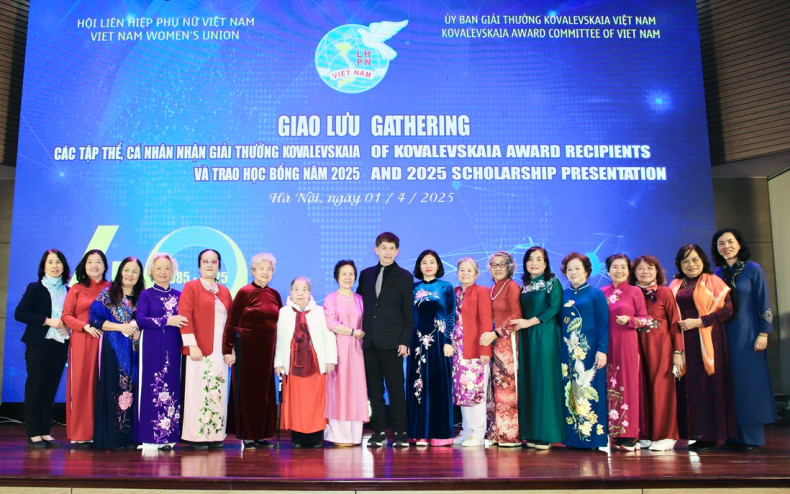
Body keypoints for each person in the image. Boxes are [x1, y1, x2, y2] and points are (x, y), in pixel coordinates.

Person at [712, 228, 777, 451]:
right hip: (722, 336)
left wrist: (764, 332)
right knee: (728, 385)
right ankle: (731, 436)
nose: (726, 246)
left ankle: (751, 438)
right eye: (721, 243)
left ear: (739, 244)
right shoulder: (716, 274)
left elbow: (764, 302)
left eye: (730, 242)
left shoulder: (753, 270)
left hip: (749, 335)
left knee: (750, 385)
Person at [669, 244, 736, 451]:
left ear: (703, 261)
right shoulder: (675, 284)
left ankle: (713, 435)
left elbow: (727, 310)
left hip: (709, 341)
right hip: (683, 342)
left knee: (709, 387)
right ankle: (695, 434)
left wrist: (698, 322)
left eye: (695, 260)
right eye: (686, 261)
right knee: (690, 388)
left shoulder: (713, 281)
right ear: (680, 264)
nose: (691, 265)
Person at [356, 232, 414, 448]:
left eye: (392, 249)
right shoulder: (365, 274)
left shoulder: (405, 277)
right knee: (375, 390)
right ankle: (379, 431)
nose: (387, 252)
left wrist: (404, 341)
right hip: (369, 342)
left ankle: (400, 431)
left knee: (396, 389)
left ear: (397, 251)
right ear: (376, 249)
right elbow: (360, 306)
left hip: (393, 343)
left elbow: (408, 314)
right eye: (384, 248)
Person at [223, 253, 282, 449]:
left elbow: (281, 326)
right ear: (253, 271)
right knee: (247, 393)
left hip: (268, 351)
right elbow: (231, 322)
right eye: (261, 268)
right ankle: (247, 435)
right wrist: (228, 349)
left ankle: (261, 435)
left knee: (264, 394)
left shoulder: (275, 295)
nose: (266, 272)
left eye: (269, 269)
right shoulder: (244, 292)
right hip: (246, 349)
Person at [14, 249, 71, 448]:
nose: (55, 266)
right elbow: (20, 313)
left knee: (50, 390)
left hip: (59, 346)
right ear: (43, 267)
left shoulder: (69, 290)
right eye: (50, 262)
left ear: (64, 266)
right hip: (39, 345)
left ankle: (45, 431)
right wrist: (47, 321)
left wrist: (66, 326)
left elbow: (69, 318)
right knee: (35, 387)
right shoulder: (35, 288)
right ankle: (33, 433)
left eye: (58, 262)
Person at [178, 249, 233, 449]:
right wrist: (191, 345)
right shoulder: (191, 287)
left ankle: (215, 435)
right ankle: (196, 436)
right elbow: (184, 317)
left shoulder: (225, 291)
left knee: (217, 391)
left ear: (219, 265)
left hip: (219, 352)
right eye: (205, 261)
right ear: (199, 265)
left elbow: (231, 323)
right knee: (198, 391)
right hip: (198, 351)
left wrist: (229, 349)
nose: (209, 265)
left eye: (214, 261)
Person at [274, 277, 338, 448]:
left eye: (304, 289)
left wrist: (331, 359)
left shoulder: (319, 311)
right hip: (294, 365)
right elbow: (280, 340)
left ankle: (316, 437)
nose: (300, 293)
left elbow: (328, 336)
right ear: (290, 292)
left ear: (310, 293)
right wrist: (278, 363)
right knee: (297, 404)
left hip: (316, 365)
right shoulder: (284, 312)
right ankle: (298, 438)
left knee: (316, 403)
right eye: (296, 289)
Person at [629, 255, 684, 451]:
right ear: (633, 272)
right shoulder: (630, 293)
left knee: (661, 390)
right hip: (635, 347)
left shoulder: (665, 292)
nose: (645, 272)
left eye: (650, 268)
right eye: (641, 269)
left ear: (657, 271)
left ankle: (666, 435)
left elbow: (675, 324)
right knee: (640, 390)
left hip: (661, 349)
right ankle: (644, 434)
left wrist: (678, 352)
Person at [89, 256, 144, 450]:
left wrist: (138, 332)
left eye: (135, 271)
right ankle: (112, 438)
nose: (130, 275)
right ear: (120, 271)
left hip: (137, 351)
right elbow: (94, 320)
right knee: (114, 388)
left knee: (134, 390)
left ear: (140, 275)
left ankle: (131, 437)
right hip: (113, 350)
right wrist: (121, 327)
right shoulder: (107, 295)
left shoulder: (143, 297)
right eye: (127, 270)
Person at [513, 246, 563, 450]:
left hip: (545, 334)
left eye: (539, 259)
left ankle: (547, 433)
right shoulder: (524, 286)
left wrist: (530, 322)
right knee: (530, 381)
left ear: (545, 263)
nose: (534, 263)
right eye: (530, 259)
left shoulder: (552, 282)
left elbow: (554, 308)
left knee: (545, 381)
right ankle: (531, 431)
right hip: (526, 336)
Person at [135, 253, 187, 450]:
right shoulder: (146, 294)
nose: (163, 272)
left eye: (167, 268)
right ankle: (149, 437)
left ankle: (168, 436)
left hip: (173, 347)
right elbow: (141, 319)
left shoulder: (179, 295)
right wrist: (167, 320)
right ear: (151, 271)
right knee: (153, 387)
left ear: (173, 272)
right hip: (151, 347)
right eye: (158, 268)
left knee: (171, 387)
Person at [559, 252, 609, 450]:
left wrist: (602, 349)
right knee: (569, 391)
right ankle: (572, 438)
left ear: (587, 271)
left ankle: (592, 439)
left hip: (588, 351)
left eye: (577, 268)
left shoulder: (596, 294)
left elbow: (604, 324)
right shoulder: (563, 294)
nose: (573, 272)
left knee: (589, 388)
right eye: (569, 269)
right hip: (567, 351)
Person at [406, 250, 456, 446]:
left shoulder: (446, 287)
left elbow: (451, 316)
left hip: (439, 343)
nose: (428, 265)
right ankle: (420, 433)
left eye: (432, 262)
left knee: (438, 386)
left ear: (438, 265)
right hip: (417, 344)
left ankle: (439, 435)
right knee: (417, 387)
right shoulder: (412, 288)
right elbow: (408, 317)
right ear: (419, 266)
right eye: (424, 262)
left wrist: (448, 341)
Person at [602, 254, 651, 452]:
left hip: (627, 343)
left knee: (627, 386)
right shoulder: (602, 292)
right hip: (606, 344)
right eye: (615, 267)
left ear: (629, 270)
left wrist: (630, 321)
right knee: (607, 385)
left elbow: (646, 319)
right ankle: (611, 434)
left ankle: (629, 435)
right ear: (608, 270)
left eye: (623, 267)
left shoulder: (635, 291)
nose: (619, 270)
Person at [62, 249, 110, 447]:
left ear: (105, 266)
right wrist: (84, 326)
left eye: (98, 262)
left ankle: (103, 432)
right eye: (90, 262)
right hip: (82, 341)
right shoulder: (76, 289)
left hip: (106, 341)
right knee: (82, 386)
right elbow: (66, 316)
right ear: (84, 265)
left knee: (103, 386)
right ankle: (82, 434)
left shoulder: (111, 288)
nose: (94, 265)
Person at [323, 260, 369, 446]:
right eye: (344, 274)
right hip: (338, 349)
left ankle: (354, 436)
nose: (348, 277)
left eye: (351, 274)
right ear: (337, 277)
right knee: (339, 390)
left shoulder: (360, 299)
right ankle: (338, 436)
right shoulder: (330, 298)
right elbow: (331, 324)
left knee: (355, 391)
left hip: (357, 351)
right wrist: (352, 332)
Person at [479, 251, 521, 447]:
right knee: (494, 390)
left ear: (510, 266)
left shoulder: (512, 287)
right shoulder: (492, 288)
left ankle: (509, 435)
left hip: (507, 344)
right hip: (493, 345)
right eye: (494, 264)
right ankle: (496, 432)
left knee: (507, 389)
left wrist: (495, 334)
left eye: (501, 264)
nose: (497, 268)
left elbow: (515, 316)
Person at [452, 257, 492, 448]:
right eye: (462, 270)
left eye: (470, 270)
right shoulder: (455, 292)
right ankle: (466, 430)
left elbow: (486, 321)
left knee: (476, 393)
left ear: (477, 274)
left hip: (475, 350)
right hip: (458, 352)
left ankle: (477, 433)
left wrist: (485, 349)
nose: (465, 273)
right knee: (463, 393)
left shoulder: (481, 291)